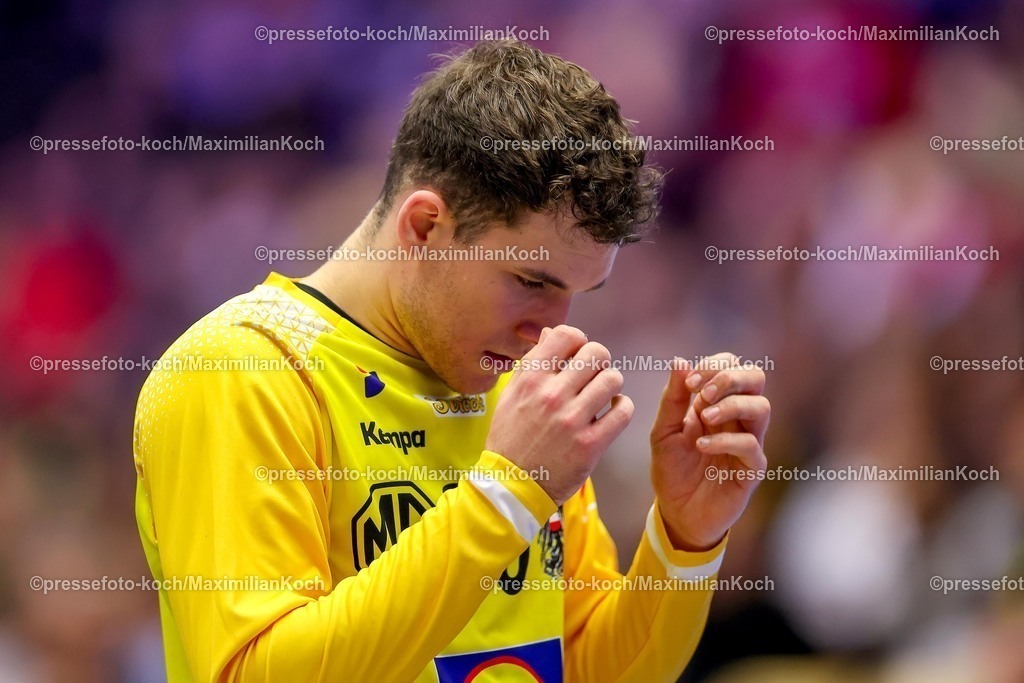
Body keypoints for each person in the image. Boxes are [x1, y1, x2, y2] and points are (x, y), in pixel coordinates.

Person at [133, 39, 770, 682]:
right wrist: (501, 499)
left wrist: (685, 540)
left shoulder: (513, 385)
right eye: (530, 281)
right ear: (424, 226)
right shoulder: (242, 370)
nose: (551, 329)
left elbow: (583, 667)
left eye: (578, 294)